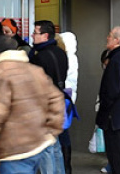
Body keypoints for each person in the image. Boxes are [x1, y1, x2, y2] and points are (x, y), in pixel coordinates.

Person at [0, 35, 65, 174]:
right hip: (38, 145)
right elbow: (57, 98)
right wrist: (50, 131)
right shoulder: (33, 69)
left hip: (14, 151)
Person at [29, 20, 68, 174]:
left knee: (46, 149)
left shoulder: (39, 57)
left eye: (35, 33)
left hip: (43, 106)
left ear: (45, 36)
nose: (32, 35)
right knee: (56, 146)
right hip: (58, 103)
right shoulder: (61, 53)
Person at [95, 27, 120, 174]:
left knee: (116, 155)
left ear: (117, 40)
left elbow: (111, 91)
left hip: (114, 116)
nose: (107, 38)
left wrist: (104, 112)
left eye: (110, 36)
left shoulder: (116, 59)